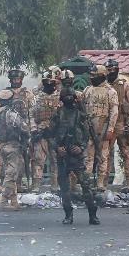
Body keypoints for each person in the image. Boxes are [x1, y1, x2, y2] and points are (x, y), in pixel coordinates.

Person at [47, 87, 100, 226]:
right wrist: (57, 148)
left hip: (77, 156)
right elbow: (50, 135)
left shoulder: (80, 115)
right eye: (66, 96)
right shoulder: (57, 115)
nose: (69, 99)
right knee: (64, 188)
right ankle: (68, 215)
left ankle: (92, 214)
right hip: (63, 156)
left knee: (86, 185)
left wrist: (81, 147)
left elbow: (88, 134)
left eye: (71, 96)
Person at [82, 65, 119, 190]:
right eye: (91, 75)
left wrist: (110, 129)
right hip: (89, 128)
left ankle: (100, 183)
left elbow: (114, 112)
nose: (92, 78)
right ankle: (86, 183)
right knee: (88, 157)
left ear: (102, 76)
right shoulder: (87, 90)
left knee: (103, 157)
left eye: (94, 76)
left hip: (103, 128)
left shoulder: (110, 91)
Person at [0, 89, 29, 210]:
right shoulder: (12, 114)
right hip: (13, 146)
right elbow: (24, 129)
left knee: (10, 173)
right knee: (11, 174)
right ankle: (3, 202)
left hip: (3, 146)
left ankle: (14, 202)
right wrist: (25, 141)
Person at [106, 59, 129, 190]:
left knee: (126, 153)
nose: (111, 72)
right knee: (105, 154)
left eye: (113, 70)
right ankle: (103, 182)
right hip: (109, 125)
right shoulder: (103, 86)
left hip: (122, 123)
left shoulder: (125, 85)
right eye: (109, 70)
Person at [29, 68, 62, 192]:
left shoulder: (60, 97)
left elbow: (62, 116)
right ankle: (36, 185)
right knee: (38, 159)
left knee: (55, 160)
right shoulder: (36, 97)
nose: (49, 84)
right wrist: (34, 129)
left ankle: (55, 185)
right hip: (40, 132)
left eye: (51, 82)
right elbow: (31, 114)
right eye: (46, 82)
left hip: (54, 133)